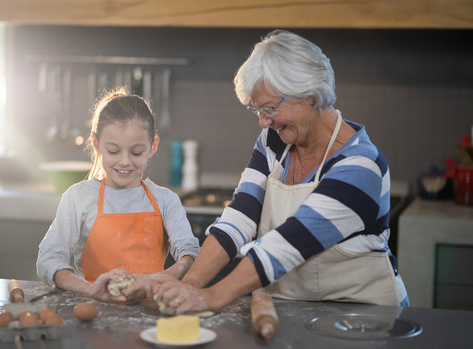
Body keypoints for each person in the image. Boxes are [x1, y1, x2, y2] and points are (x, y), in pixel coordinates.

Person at [151, 30, 409, 314]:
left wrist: (212, 297)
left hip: (363, 320)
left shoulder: (361, 165)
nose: (263, 122)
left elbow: (290, 243)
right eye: (257, 110)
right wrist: (190, 285)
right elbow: (240, 216)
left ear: (310, 95)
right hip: (290, 313)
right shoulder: (275, 142)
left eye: (270, 108)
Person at [37, 89, 200, 302]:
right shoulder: (78, 198)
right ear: (96, 144)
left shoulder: (166, 201)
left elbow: (190, 254)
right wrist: (90, 289)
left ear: (153, 147)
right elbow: (48, 260)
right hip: (92, 310)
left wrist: (156, 281)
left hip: (150, 316)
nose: (124, 161)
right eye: (113, 151)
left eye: (136, 152)